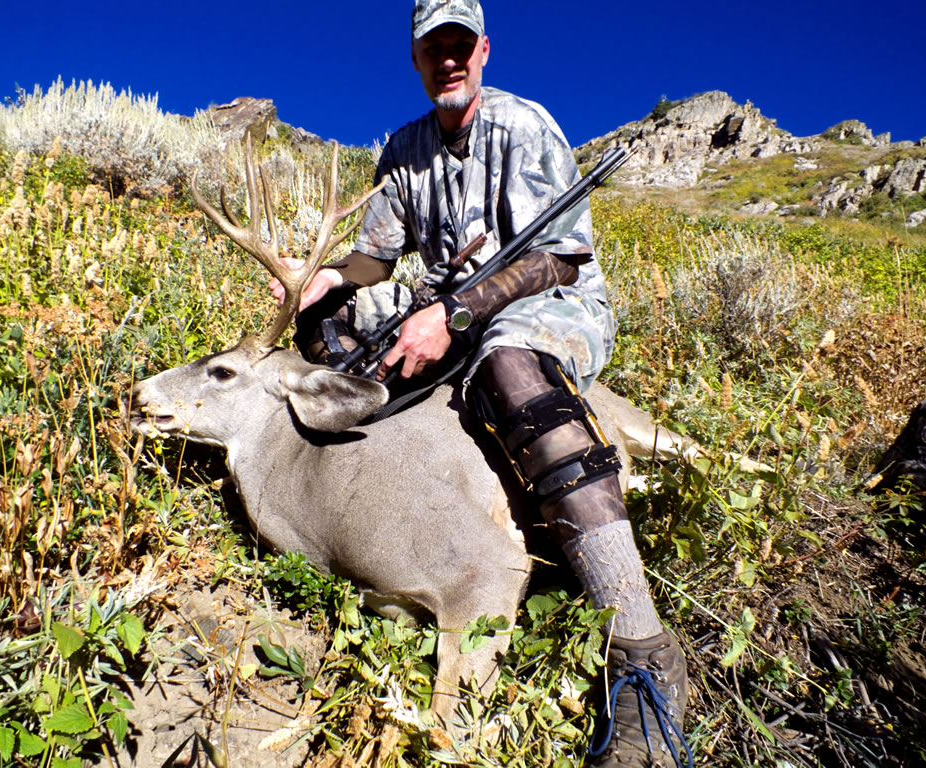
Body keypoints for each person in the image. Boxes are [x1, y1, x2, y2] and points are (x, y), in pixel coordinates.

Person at [272, 1, 691, 765]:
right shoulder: (404, 150)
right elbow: (377, 259)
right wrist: (329, 276)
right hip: (444, 309)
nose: (448, 60)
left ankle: (643, 653)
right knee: (328, 320)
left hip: (548, 303)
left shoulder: (522, 126)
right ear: (415, 59)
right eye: (433, 48)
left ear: (484, 50)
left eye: (460, 45)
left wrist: (453, 314)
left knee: (506, 361)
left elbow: (560, 258)